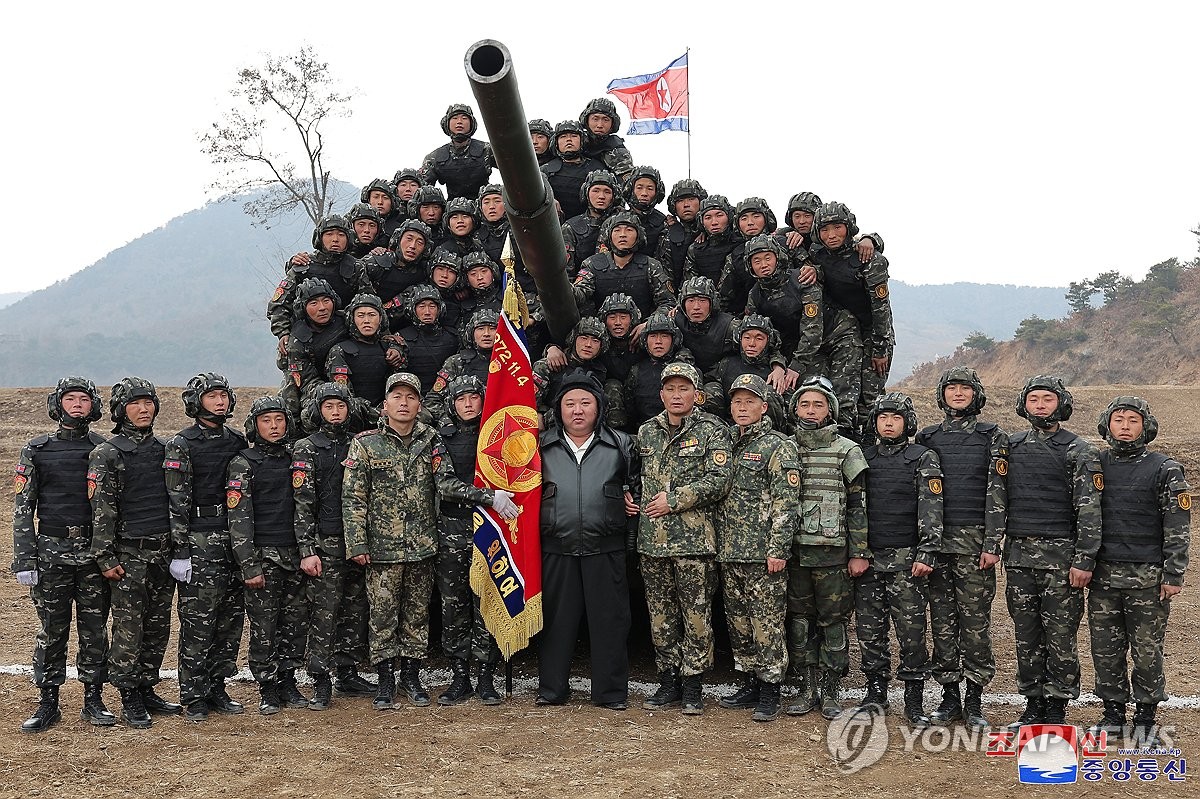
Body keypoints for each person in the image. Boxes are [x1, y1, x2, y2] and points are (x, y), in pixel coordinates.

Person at [342, 373, 517, 710]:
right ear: (385, 404)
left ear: (420, 405)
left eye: (410, 397)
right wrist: (357, 544)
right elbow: (353, 498)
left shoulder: (431, 439)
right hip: (382, 548)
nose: (404, 403)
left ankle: (411, 676)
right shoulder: (365, 443)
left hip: (424, 545)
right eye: (397, 397)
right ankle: (385, 680)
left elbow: (444, 483)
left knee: (417, 616)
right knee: (382, 615)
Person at [12, 377, 114, 732]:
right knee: (52, 630)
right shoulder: (37, 449)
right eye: (70, 398)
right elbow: (23, 507)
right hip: (50, 552)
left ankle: (93, 699)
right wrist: (25, 557)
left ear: (93, 406)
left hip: (92, 553)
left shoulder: (104, 449)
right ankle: (48, 702)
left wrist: (109, 553)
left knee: (94, 629)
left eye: (84, 399)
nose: (77, 405)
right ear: (58, 404)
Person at [1088, 396, 1190, 744]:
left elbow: (1177, 525)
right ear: (1107, 425)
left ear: (1145, 426)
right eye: (1119, 420)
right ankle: (1112, 714)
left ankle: (1146, 717)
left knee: (1147, 650)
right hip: (1103, 576)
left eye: (1133, 420)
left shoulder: (1165, 468)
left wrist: (1173, 574)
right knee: (1106, 649)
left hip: (1147, 578)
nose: (1126, 426)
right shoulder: (1095, 463)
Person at [537, 371, 640, 709]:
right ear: (559, 409)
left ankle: (610, 693)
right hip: (556, 547)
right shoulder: (540, 445)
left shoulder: (621, 444)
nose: (577, 410)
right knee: (556, 622)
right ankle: (552, 689)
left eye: (585, 403)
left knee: (610, 621)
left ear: (599, 408)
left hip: (605, 545)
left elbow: (638, 485)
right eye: (570, 404)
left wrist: (631, 495)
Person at [1004, 375, 1101, 728]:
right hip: (1018, 559)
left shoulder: (1078, 449)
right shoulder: (1011, 446)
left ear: (1060, 404)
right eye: (1034, 399)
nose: (1040, 405)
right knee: (1026, 634)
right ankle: (1032, 702)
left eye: (1047, 399)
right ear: (1024, 404)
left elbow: (1088, 509)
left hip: (1061, 560)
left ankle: (1057, 704)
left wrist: (1084, 559)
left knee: (1060, 636)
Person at [637, 362, 733, 715]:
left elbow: (720, 480)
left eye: (684, 389)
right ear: (661, 394)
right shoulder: (647, 432)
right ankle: (668, 681)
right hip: (652, 542)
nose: (677, 396)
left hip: (693, 542)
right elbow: (639, 476)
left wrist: (675, 500)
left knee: (696, 614)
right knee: (660, 615)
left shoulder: (712, 431)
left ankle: (693, 684)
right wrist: (632, 497)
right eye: (670, 390)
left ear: (697, 394)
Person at [915, 366, 1007, 730]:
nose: (957, 393)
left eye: (964, 388)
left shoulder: (992, 437)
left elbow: (997, 494)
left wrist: (991, 543)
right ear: (942, 394)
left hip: (974, 546)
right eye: (951, 388)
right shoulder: (928, 437)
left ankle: (974, 700)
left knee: (975, 623)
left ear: (976, 394)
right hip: (936, 545)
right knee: (942, 622)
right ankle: (949, 696)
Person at [89, 377, 182, 728]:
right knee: (129, 627)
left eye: (149, 403)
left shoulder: (166, 449)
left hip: (162, 553)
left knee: (158, 626)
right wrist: (105, 557)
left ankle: (146, 686)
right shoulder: (107, 454)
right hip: (128, 555)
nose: (144, 410)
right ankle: (128, 693)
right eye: (134, 404)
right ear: (120, 410)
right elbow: (101, 510)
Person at [715, 374, 800, 722]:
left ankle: (770, 689)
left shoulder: (778, 446)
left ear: (764, 407)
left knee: (766, 623)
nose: (743, 407)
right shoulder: (725, 444)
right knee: (739, 623)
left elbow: (787, 501)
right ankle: (750, 681)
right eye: (737, 401)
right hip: (729, 551)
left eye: (750, 401)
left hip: (763, 554)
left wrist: (778, 548)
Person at [783, 376, 868, 720]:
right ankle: (807, 686)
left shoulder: (847, 450)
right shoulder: (785, 448)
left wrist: (859, 552)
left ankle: (832, 689)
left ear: (830, 410)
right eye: (804, 404)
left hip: (833, 553)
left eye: (818, 404)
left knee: (833, 623)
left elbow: (858, 506)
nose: (811, 410)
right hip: (794, 553)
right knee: (800, 622)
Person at [855, 393, 942, 726]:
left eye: (895, 418)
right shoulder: (862, 458)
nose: (888, 423)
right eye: (882, 417)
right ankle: (875, 692)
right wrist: (857, 552)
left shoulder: (922, 457)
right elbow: (856, 510)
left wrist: (927, 552)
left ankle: (914, 699)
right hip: (869, 560)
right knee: (869, 629)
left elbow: (931, 509)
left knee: (911, 631)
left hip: (908, 560)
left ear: (908, 422)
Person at [165, 373, 247, 721]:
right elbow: (175, 500)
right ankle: (193, 694)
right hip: (199, 538)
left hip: (234, 538)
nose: (219, 402)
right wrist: (180, 549)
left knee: (230, 619)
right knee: (199, 621)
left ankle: (217, 686)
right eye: (212, 397)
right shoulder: (181, 444)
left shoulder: (237, 441)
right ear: (197, 402)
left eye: (223, 396)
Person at [294, 383, 374, 710]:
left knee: (355, 609)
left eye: (340, 406)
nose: (336, 412)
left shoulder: (360, 444)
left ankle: (348, 671)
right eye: (329, 407)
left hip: (357, 541)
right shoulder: (306, 448)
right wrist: (306, 550)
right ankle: (320, 678)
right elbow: (301, 504)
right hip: (324, 543)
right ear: (319, 410)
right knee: (324, 613)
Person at [227, 397, 308, 715]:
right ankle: (268, 687)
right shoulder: (243, 463)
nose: (274, 426)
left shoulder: (296, 459)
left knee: (294, 624)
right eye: (266, 421)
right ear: (254, 426)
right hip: (263, 558)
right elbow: (239, 519)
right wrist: (249, 565)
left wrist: (307, 552)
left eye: (279, 419)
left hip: (295, 556)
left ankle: (288, 681)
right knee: (265, 628)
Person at [434, 376, 504, 706]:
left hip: (489, 530)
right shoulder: (441, 438)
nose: (467, 404)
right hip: (451, 531)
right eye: (460, 398)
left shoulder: (498, 436)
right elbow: (444, 484)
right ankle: (459, 674)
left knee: (487, 603)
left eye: (474, 397)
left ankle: (486, 676)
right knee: (454, 605)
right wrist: (487, 497)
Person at [807, 201, 893, 439]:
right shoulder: (817, 254)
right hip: (842, 332)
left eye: (837, 227)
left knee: (870, 394)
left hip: (873, 331)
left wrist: (880, 348)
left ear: (849, 227)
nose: (831, 235)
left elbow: (881, 310)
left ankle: (874, 446)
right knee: (842, 391)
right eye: (824, 229)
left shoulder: (868, 259)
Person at [268, 215, 373, 364]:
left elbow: (369, 303)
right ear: (320, 237)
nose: (335, 239)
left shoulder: (356, 268)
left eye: (341, 235)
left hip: (344, 333)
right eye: (329, 234)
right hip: (305, 335)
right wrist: (283, 333)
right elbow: (278, 304)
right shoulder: (304, 266)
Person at [572, 211, 675, 321]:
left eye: (629, 230)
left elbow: (668, 303)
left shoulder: (651, 266)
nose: (623, 234)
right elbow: (579, 295)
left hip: (641, 332)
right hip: (601, 332)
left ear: (638, 235)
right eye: (617, 230)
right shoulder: (591, 265)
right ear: (609, 235)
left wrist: (649, 324)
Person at [281, 278, 349, 422]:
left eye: (326, 301)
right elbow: (306, 381)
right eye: (314, 303)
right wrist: (332, 394)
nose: (322, 308)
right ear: (303, 308)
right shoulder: (297, 340)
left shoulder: (347, 320)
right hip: (316, 390)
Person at [326, 293, 407, 407]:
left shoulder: (389, 348)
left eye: (372, 315)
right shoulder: (339, 351)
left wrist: (398, 348)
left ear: (381, 319)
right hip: (354, 413)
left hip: (389, 410)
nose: (366, 320)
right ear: (352, 319)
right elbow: (344, 396)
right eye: (360, 315)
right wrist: (376, 413)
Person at [418, 103, 495, 201]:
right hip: (453, 211)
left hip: (484, 208)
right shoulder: (435, 157)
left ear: (472, 123)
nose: (459, 122)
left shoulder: (487, 150)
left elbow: (513, 172)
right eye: (454, 118)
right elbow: (422, 190)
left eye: (464, 118)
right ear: (447, 123)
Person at [397, 284, 462, 395]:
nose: (427, 312)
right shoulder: (401, 338)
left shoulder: (453, 337)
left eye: (432, 306)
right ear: (413, 309)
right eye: (421, 306)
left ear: (440, 309)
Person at [541, 120, 604, 221]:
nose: (569, 140)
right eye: (563, 137)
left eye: (574, 136)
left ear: (582, 140)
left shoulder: (597, 169)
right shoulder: (546, 170)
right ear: (556, 142)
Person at [562, 170, 621, 277]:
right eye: (596, 191)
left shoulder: (624, 225)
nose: (601, 196)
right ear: (586, 193)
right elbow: (566, 272)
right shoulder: (571, 227)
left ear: (614, 196)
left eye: (607, 192)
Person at [657, 179, 707, 290]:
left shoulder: (715, 230)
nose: (686, 205)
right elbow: (665, 277)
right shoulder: (668, 236)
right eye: (680, 201)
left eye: (691, 199)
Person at [684, 195, 737, 285]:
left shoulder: (741, 244)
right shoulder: (695, 250)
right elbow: (690, 284)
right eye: (708, 218)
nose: (714, 222)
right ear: (702, 222)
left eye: (719, 216)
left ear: (729, 217)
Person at [578, 97, 633, 183]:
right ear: (587, 120)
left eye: (606, 120)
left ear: (612, 123)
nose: (600, 125)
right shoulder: (575, 141)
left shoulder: (616, 149)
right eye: (595, 119)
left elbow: (627, 182)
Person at [623, 165, 668, 257]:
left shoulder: (664, 223)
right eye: (639, 188)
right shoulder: (615, 221)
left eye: (650, 188)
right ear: (631, 190)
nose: (644, 193)